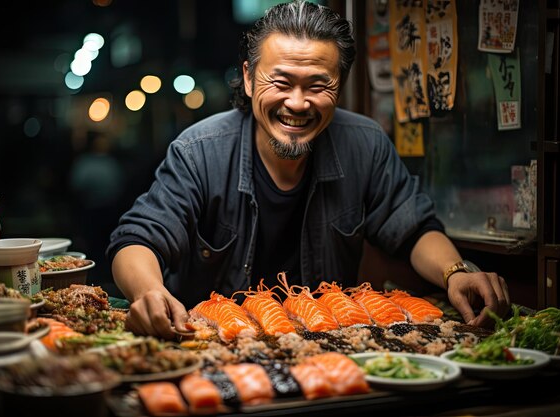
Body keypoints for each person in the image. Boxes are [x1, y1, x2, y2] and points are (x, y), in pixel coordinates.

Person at [107, 0, 510, 340]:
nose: (297, 103)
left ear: (339, 84)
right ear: (248, 79)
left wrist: (456, 272)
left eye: (317, 85)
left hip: (330, 344)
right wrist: (148, 293)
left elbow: (413, 228)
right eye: (280, 82)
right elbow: (138, 238)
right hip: (215, 346)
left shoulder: (364, 144)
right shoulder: (200, 152)